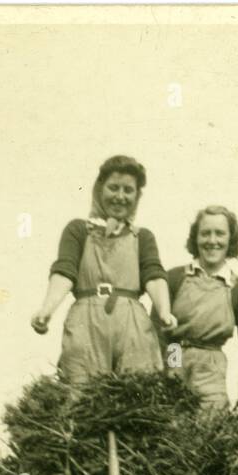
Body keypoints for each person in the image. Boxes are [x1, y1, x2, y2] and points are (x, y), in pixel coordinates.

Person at [31, 155, 177, 385]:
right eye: (113, 188)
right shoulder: (78, 230)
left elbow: (154, 275)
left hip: (132, 324)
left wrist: (165, 311)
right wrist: (47, 309)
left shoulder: (143, 237)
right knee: (81, 393)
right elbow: (65, 270)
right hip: (85, 321)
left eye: (128, 190)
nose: (120, 196)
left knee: (138, 392)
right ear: (100, 189)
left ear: (137, 196)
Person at [162, 205, 238, 412]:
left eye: (220, 234)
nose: (212, 241)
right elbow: (159, 332)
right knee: (170, 430)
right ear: (195, 238)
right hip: (175, 358)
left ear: (230, 239)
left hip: (211, 368)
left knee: (210, 431)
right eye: (205, 233)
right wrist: (172, 368)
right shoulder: (174, 279)